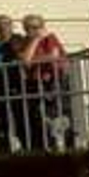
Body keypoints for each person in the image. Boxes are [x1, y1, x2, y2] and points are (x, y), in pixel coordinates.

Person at [19, 13, 72, 150]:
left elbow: (53, 56)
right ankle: (47, 147)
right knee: (40, 118)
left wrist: (34, 59)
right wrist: (35, 41)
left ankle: (63, 146)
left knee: (57, 115)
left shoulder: (50, 38)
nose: (35, 30)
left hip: (53, 81)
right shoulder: (25, 41)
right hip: (35, 83)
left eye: (38, 27)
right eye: (30, 28)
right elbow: (25, 61)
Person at [0, 15, 28, 155]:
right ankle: (4, 153)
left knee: (21, 119)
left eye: (6, 24)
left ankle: (27, 148)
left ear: (12, 26)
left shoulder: (19, 40)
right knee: (1, 121)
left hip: (18, 84)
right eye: (0, 25)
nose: (3, 27)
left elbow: (23, 56)